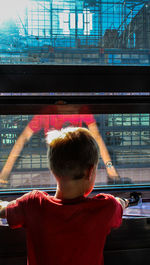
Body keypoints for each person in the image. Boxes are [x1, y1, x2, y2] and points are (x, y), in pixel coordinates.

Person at [0, 127, 129, 265]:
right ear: (90, 172)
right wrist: (125, 201)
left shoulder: (32, 203)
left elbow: (3, 211)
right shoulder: (105, 207)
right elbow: (119, 204)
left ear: (53, 168)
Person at [0, 114, 122, 187]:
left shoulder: (79, 111)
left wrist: (110, 169)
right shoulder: (46, 115)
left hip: (64, 159)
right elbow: (23, 138)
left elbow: (97, 137)